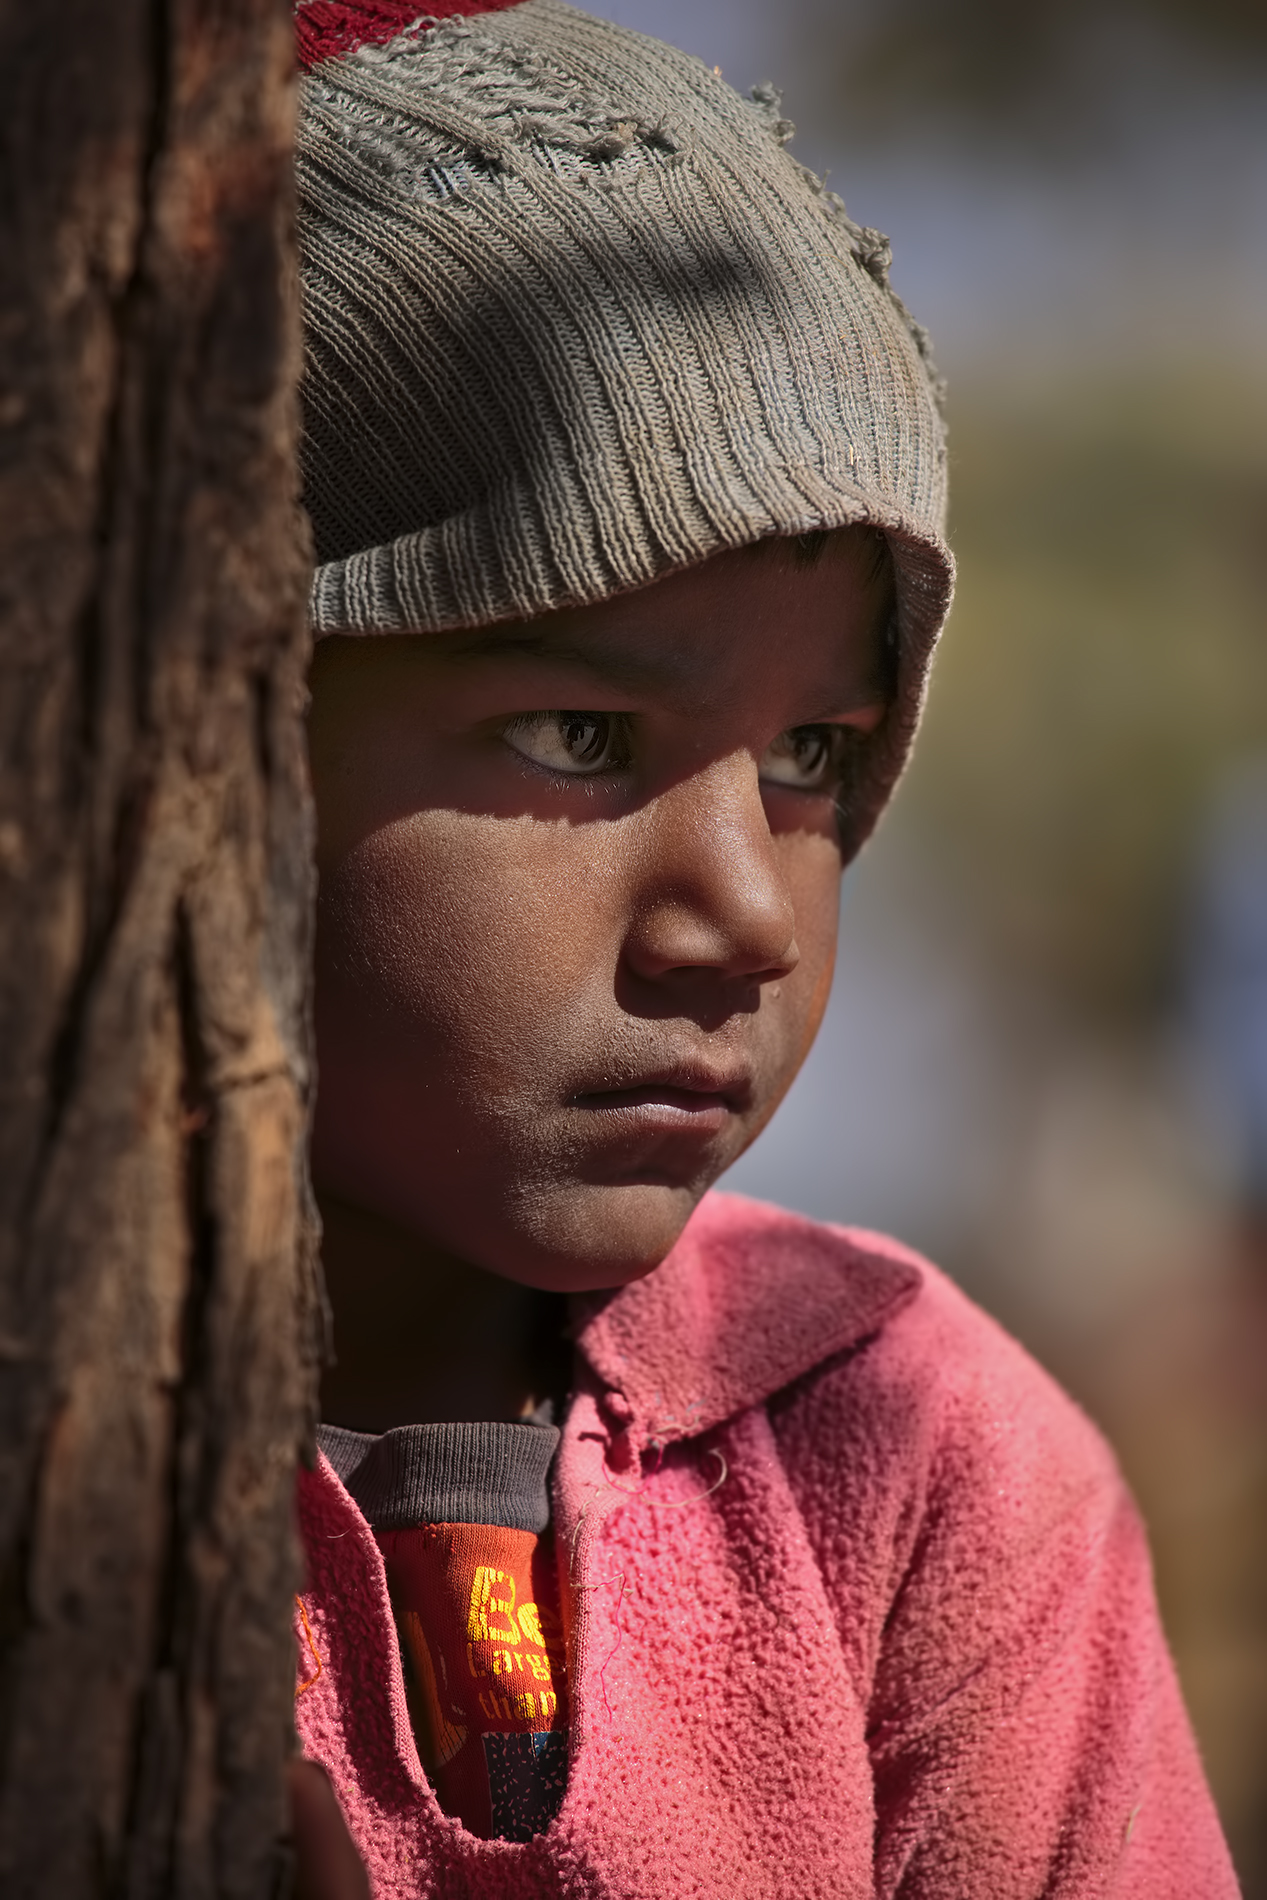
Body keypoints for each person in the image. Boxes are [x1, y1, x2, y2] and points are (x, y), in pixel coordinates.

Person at [287, 1, 1238, 1893]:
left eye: (814, 755)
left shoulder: (910, 1464)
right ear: (196, 739)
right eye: (582, 737)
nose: (745, 912)